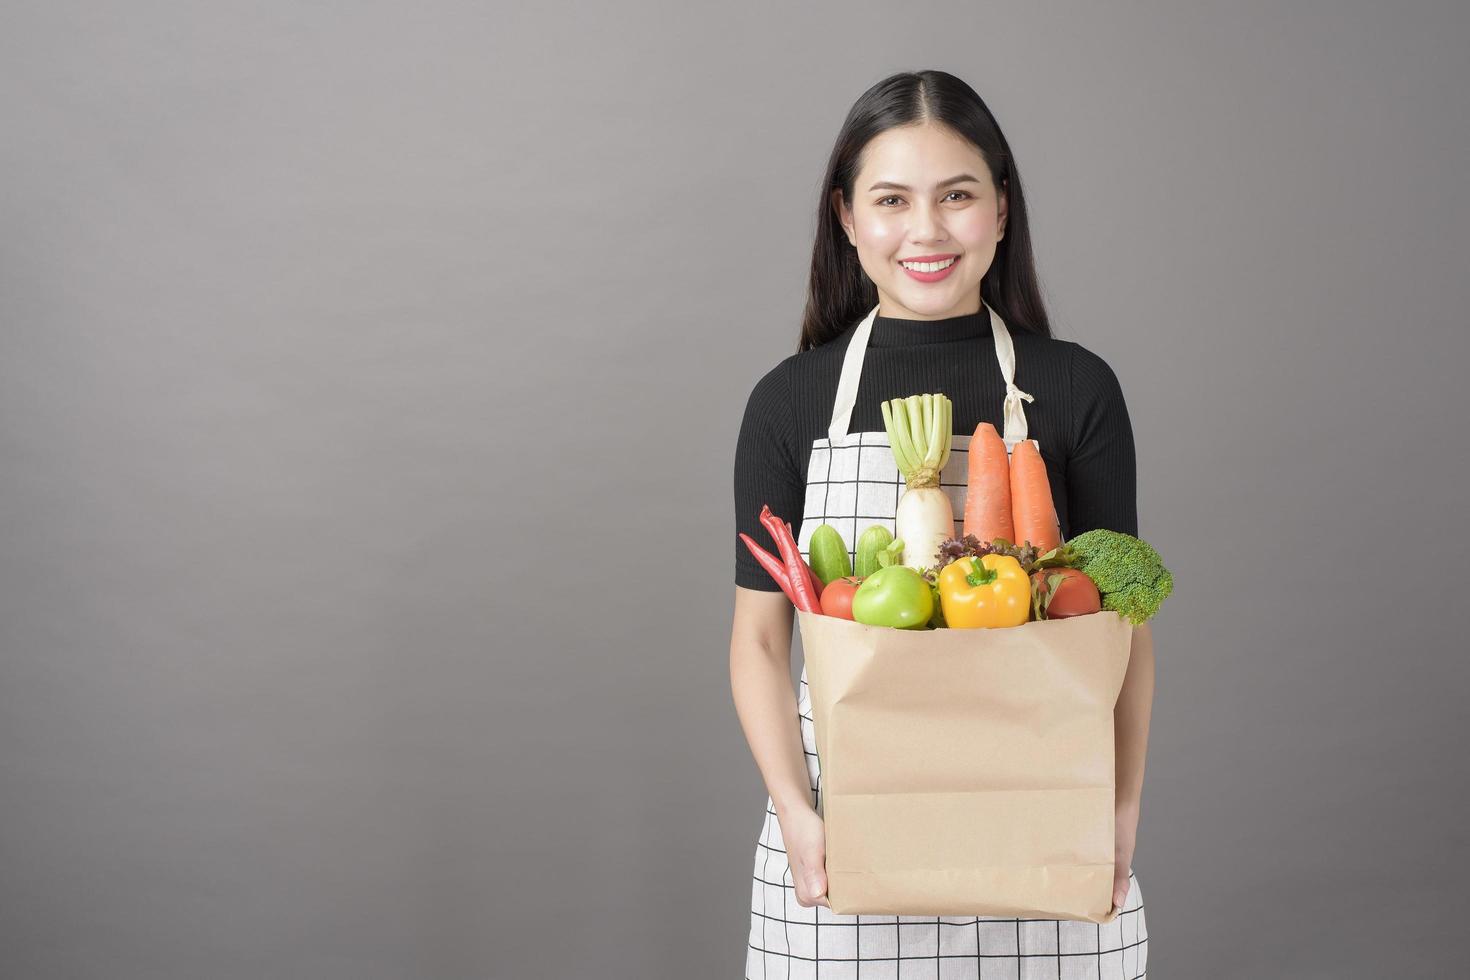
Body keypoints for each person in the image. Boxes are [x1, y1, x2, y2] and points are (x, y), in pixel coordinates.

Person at [730, 70, 1154, 979]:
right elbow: (760, 643)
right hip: (843, 847)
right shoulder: (789, 402)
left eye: (957, 196)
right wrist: (798, 817)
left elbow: (1124, 635)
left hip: (1045, 832)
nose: (926, 231)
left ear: (1001, 211)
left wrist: (1118, 817)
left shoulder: (1078, 391)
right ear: (847, 219)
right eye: (892, 200)